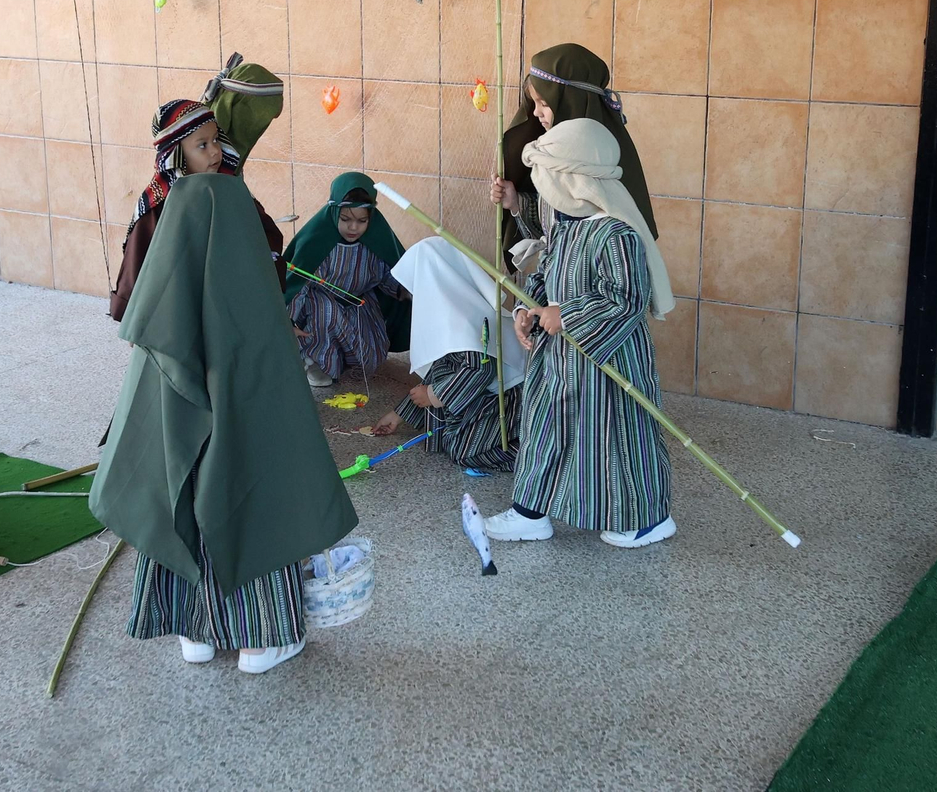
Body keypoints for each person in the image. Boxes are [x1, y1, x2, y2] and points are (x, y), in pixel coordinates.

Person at [91, 171, 358, 675]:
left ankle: (194, 631)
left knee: (180, 501)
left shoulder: (159, 327)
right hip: (244, 472)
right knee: (256, 515)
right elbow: (283, 415)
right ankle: (260, 641)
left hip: (180, 469)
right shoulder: (257, 312)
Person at [481, 117, 678, 548]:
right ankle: (530, 511)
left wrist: (566, 314)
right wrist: (527, 309)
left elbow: (625, 299)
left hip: (608, 367)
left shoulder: (616, 233)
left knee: (616, 441)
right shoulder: (567, 229)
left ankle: (646, 519)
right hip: (559, 361)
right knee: (544, 428)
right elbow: (545, 276)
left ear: (574, 184)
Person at [109, 55, 286, 323]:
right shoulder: (159, 201)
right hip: (178, 312)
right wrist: (132, 313)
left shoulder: (227, 184)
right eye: (202, 145)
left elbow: (262, 234)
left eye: (216, 140)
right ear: (177, 155)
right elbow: (140, 263)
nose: (215, 151)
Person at [488, 43, 658, 278]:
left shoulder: (600, 165)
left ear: (570, 103)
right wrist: (516, 202)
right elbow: (553, 232)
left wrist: (566, 301)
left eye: (544, 104)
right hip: (557, 291)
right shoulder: (553, 157)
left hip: (596, 297)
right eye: (534, 103)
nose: (536, 112)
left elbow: (621, 275)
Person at [371, 237, 525, 473]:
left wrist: (433, 395)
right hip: (486, 395)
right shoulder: (457, 309)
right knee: (452, 438)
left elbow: (480, 369)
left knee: (464, 451)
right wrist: (399, 414)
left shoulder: (462, 318)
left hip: (506, 403)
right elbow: (442, 367)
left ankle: (536, 457)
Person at [283, 172, 410, 387]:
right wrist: (287, 322)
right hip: (319, 307)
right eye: (345, 219)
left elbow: (386, 276)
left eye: (362, 221)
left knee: (370, 361)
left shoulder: (376, 241)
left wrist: (403, 289)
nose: (353, 227)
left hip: (358, 303)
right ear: (334, 212)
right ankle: (316, 361)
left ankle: (339, 358)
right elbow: (297, 286)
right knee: (327, 312)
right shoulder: (316, 240)